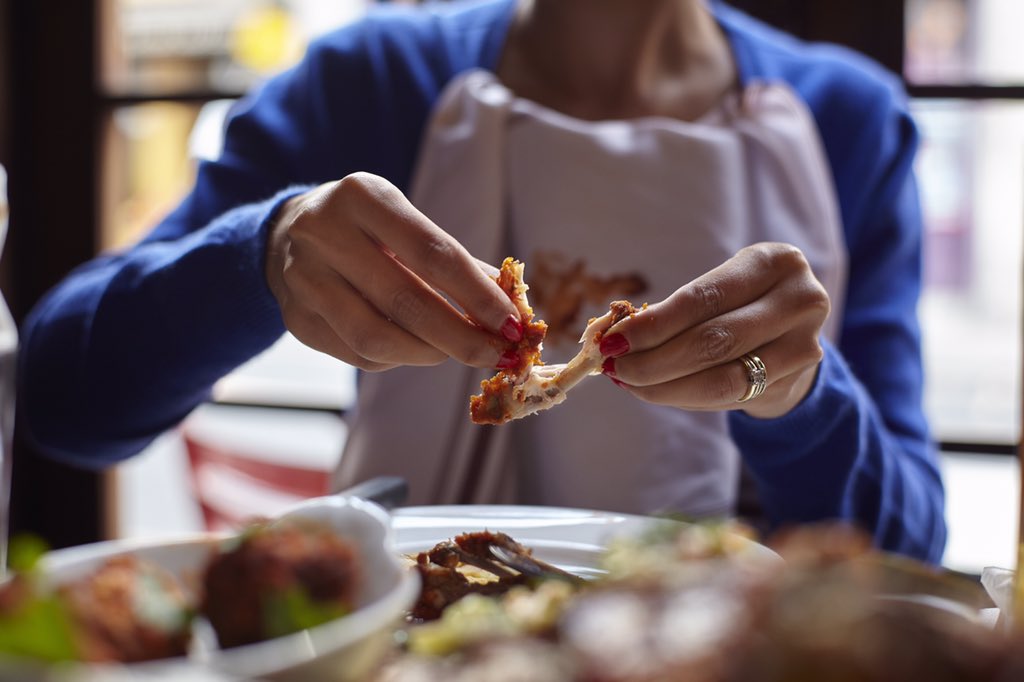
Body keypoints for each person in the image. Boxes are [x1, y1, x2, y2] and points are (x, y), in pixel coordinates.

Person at [17, 0, 946, 562]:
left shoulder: (848, 119)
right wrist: (262, 253)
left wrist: (799, 395)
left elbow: (908, 549)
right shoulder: (370, 80)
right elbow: (63, 399)